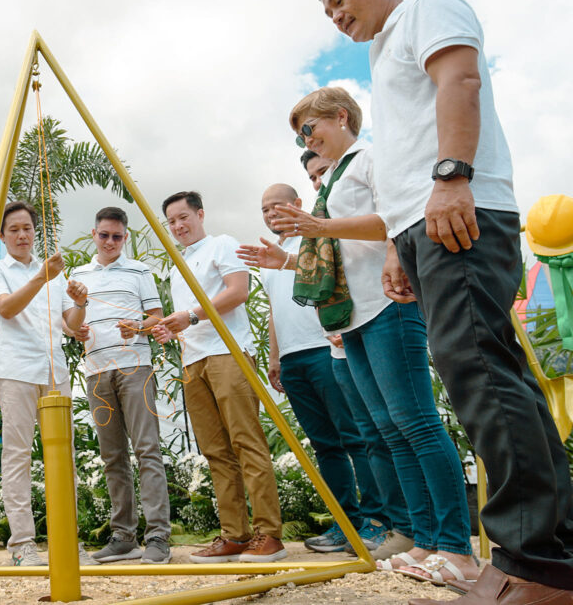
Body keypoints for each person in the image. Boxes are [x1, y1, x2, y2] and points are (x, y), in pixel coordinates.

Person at [316, 0, 573, 602]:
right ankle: (549, 550)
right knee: (480, 372)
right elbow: (405, 157)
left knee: (481, 371)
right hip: (422, 227)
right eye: (326, 12)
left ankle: (534, 560)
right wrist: (401, 246)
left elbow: (460, 80)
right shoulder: (381, 55)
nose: (337, 15)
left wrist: (454, 174)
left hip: (463, 208)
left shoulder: (427, 7)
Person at [240, 86, 478, 582]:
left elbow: (392, 219)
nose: (307, 139)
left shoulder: (369, 160)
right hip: (353, 320)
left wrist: (317, 227)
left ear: (341, 116)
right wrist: (284, 259)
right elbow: (339, 254)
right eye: (300, 136)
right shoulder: (331, 181)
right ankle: (424, 538)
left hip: (388, 305)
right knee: (389, 430)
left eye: (309, 128)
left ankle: (457, 545)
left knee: (416, 421)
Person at [253, 184, 389, 554]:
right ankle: (344, 522)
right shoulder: (269, 256)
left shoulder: (317, 238)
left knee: (355, 437)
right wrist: (275, 357)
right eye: (264, 209)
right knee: (325, 445)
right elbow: (274, 311)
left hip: (324, 349)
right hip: (294, 359)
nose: (270, 214)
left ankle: (376, 521)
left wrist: (341, 332)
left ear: (297, 205)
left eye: (277, 206)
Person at [151, 191, 285, 563]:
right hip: (193, 362)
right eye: (172, 221)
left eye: (183, 217)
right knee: (215, 452)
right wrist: (171, 329)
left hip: (228, 353)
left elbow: (237, 292)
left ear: (200, 214)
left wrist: (190, 317)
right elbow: (187, 317)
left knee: (246, 441)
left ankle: (269, 535)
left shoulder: (221, 245)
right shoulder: (177, 264)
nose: (178, 226)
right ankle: (235, 536)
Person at [0, 201, 90, 566]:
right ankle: (22, 544)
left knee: (63, 457)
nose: (21, 235)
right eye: (13, 229)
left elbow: (73, 326)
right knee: (17, 455)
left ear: (35, 232)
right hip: (16, 371)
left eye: (27, 228)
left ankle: (69, 541)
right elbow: (8, 308)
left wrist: (81, 302)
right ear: (2, 236)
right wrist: (41, 278)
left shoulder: (53, 274)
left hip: (54, 371)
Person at [68, 207, 171, 564]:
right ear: (93, 234)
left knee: (147, 450)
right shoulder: (78, 275)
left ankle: (158, 536)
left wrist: (138, 326)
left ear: (125, 238)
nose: (110, 242)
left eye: (117, 236)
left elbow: (156, 317)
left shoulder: (140, 271)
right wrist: (77, 326)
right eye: (104, 235)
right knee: (112, 455)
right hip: (97, 371)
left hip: (136, 367)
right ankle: (123, 536)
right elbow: (70, 323)